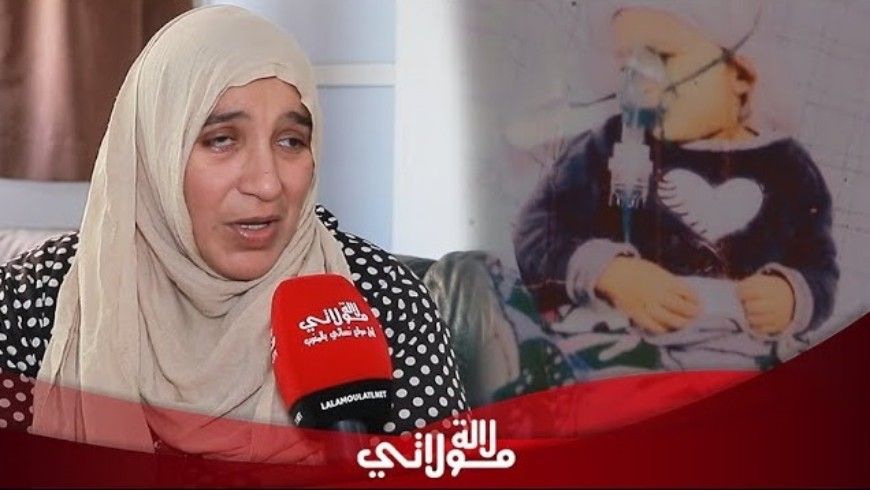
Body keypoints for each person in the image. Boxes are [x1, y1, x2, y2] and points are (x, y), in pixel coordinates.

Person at [0, 4, 467, 462]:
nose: (267, 183)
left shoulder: (382, 301)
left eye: (291, 141)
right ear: (154, 151)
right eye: (221, 140)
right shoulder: (34, 303)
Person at [512, 1, 838, 368]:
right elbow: (536, 232)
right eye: (628, 66)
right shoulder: (604, 147)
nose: (640, 84)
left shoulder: (788, 169)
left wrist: (791, 296)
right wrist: (611, 273)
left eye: (662, 58)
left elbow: (819, 267)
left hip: (737, 352)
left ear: (740, 75)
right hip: (623, 347)